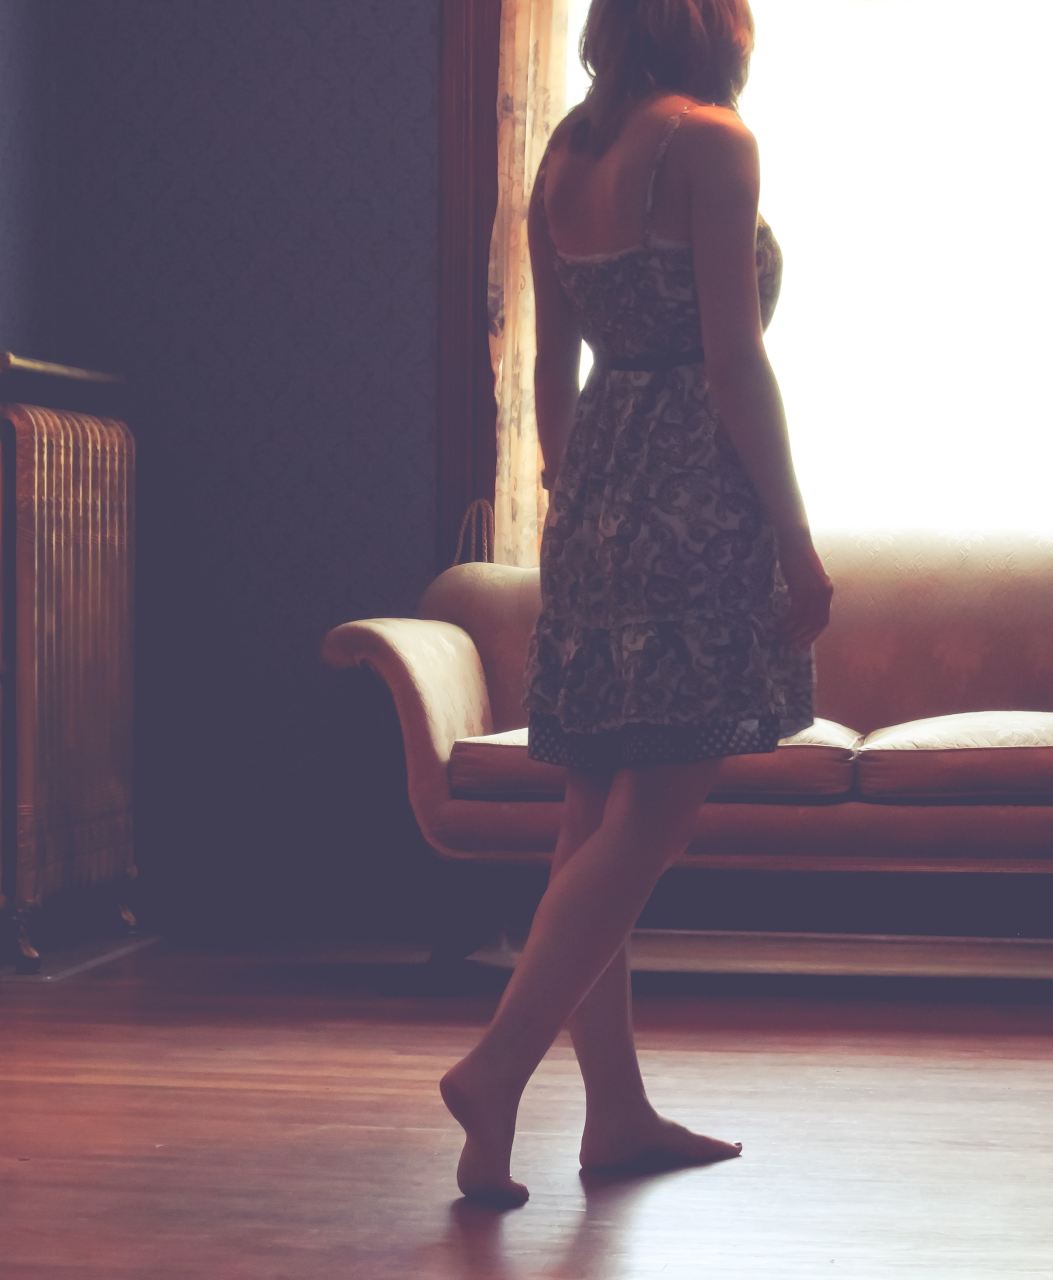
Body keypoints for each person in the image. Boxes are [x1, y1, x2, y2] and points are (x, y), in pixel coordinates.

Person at [439, 0, 831, 1206]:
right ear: (717, 30)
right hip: (692, 490)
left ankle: (612, 1113)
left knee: (594, 804)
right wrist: (795, 537)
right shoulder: (711, 143)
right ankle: (498, 1066)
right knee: (656, 814)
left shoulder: (566, 154)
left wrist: (580, 499)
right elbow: (732, 359)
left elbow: (549, 368)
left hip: (596, 484)